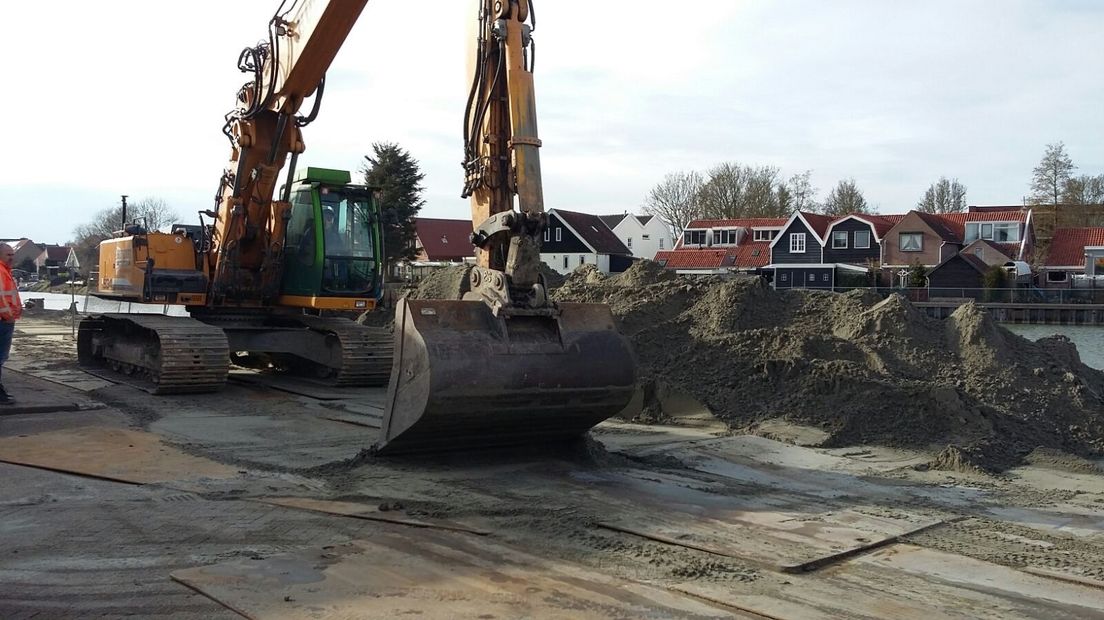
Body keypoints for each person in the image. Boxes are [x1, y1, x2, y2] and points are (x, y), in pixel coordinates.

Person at [0, 243, 22, 404]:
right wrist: (8, 316)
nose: (12, 257)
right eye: (8, 254)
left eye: (13, 254)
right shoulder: (1, 272)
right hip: (3, 321)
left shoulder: (6, 272)